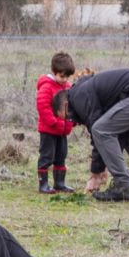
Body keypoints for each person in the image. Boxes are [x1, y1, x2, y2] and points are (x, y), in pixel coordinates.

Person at [52, 68, 129, 202]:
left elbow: (97, 130)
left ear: (65, 104)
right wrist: (104, 164)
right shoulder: (85, 90)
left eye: (66, 117)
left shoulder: (78, 96)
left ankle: (122, 186)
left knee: (100, 129)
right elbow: (109, 136)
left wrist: (96, 173)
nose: (71, 121)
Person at [35, 52, 76, 194]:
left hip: (62, 130)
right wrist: (53, 122)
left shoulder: (68, 88)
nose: (64, 80)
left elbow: (71, 106)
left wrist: (71, 121)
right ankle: (43, 184)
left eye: (67, 77)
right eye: (62, 76)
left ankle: (59, 183)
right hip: (48, 130)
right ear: (54, 72)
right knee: (47, 156)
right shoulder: (46, 87)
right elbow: (43, 107)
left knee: (61, 156)